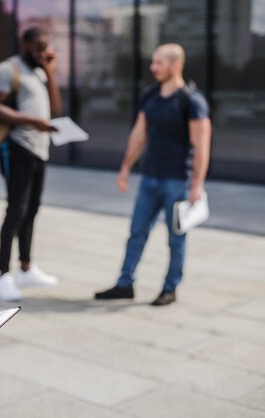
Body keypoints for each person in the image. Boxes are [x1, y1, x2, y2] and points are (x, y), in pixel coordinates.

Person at [94, 43, 211, 306]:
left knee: (176, 239)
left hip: (178, 182)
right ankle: (125, 284)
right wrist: (125, 167)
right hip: (150, 178)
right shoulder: (151, 95)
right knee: (136, 232)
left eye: (159, 63)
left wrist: (196, 185)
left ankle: (170, 288)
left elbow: (202, 146)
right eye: (153, 62)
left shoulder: (192, 101)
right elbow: (139, 134)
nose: (153, 67)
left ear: (175, 65)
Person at [0, 27, 63, 302]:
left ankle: (26, 268)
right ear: (25, 45)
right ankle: (3, 275)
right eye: (38, 48)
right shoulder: (9, 69)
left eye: (46, 48)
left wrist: (51, 71)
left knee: (32, 209)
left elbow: (55, 108)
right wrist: (33, 122)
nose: (43, 53)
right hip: (18, 147)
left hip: (40, 150)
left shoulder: (41, 71)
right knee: (15, 210)